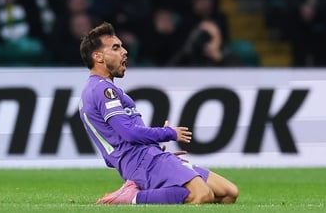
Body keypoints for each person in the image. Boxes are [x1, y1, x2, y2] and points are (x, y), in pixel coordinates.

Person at [78, 22, 239, 204]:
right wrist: (169, 133)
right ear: (98, 57)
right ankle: (132, 197)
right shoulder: (102, 90)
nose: (124, 51)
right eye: (116, 48)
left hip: (148, 155)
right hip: (141, 161)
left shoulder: (98, 90)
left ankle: (142, 189)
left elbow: (118, 139)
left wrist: (153, 146)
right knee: (201, 194)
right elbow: (129, 133)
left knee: (228, 193)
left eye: (122, 46)